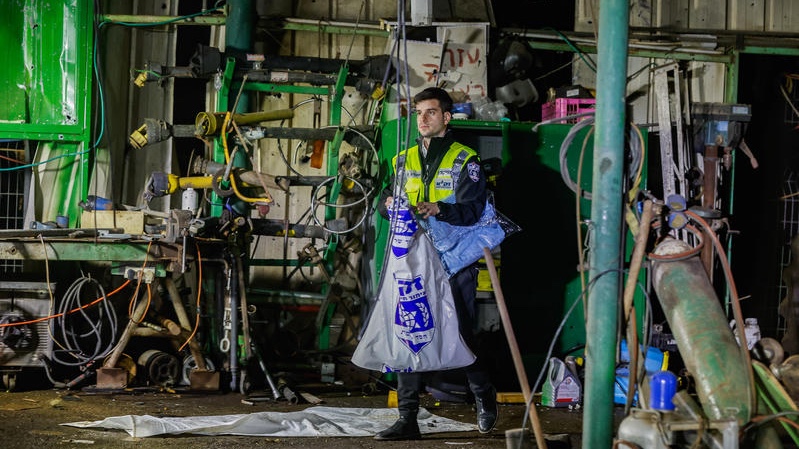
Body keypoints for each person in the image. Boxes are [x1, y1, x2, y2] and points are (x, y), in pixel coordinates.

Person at [374, 87, 498, 441]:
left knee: (459, 332)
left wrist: (439, 208)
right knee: (409, 331)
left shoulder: (465, 159)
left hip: (454, 260)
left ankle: (483, 394)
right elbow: (383, 203)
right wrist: (387, 205)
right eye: (419, 112)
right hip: (412, 260)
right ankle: (408, 417)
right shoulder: (402, 159)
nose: (423, 119)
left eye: (431, 112)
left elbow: (474, 210)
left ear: (446, 117)